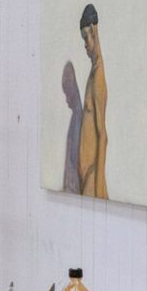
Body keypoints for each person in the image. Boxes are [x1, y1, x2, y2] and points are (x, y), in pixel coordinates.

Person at [76, 5, 108, 198]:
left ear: (94, 34)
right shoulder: (93, 73)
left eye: (86, 38)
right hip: (86, 176)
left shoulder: (98, 78)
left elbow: (103, 136)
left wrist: (97, 187)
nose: (85, 45)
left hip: (92, 178)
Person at [59, 64, 83, 194]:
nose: (67, 100)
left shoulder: (79, 117)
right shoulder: (75, 116)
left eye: (69, 94)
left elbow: (74, 157)